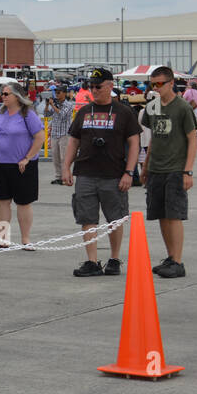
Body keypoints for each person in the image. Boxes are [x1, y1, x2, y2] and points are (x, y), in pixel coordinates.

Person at [62, 68, 140, 277]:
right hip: (86, 172)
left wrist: (129, 172)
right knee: (87, 218)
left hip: (114, 174)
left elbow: (134, 144)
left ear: (110, 85)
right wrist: (66, 167)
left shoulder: (124, 112)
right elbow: (74, 141)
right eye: (91, 86)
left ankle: (114, 259)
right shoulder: (85, 111)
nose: (93, 90)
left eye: (98, 86)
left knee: (115, 218)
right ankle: (92, 261)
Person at [142, 66, 197, 277]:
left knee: (174, 215)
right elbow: (154, 138)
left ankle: (178, 261)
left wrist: (188, 171)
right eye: (152, 84)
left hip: (175, 168)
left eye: (159, 84)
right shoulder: (153, 106)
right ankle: (170, 256)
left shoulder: (182, 107)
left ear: (171, 83)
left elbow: (192, 140)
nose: (155, 88)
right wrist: (146, 165)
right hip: (156, 167)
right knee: (161, 215)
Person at [0, 83, 45, 249]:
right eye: (1, 94)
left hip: (22, 165)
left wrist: (27, 157)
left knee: (23, 202)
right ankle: (2, 238)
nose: (2, 97)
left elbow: (40, 137)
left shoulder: (28, 114)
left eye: (6, 94)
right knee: (2, 201)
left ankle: (26, 239)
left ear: (17, 96)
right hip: (0, 164)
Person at [45, 84, 75, 184]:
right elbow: (46, 114)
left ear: (64, 93)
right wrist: (47, 105)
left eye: (59, 92)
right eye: (56, 93)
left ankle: (65, 177)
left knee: (64, 157)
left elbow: (62, 115)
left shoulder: (69, 104)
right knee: (55, 157)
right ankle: (58, 176)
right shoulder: (55, 103)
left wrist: (53, 105)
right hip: (54, 134)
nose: (57, 94)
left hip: (64, 134)